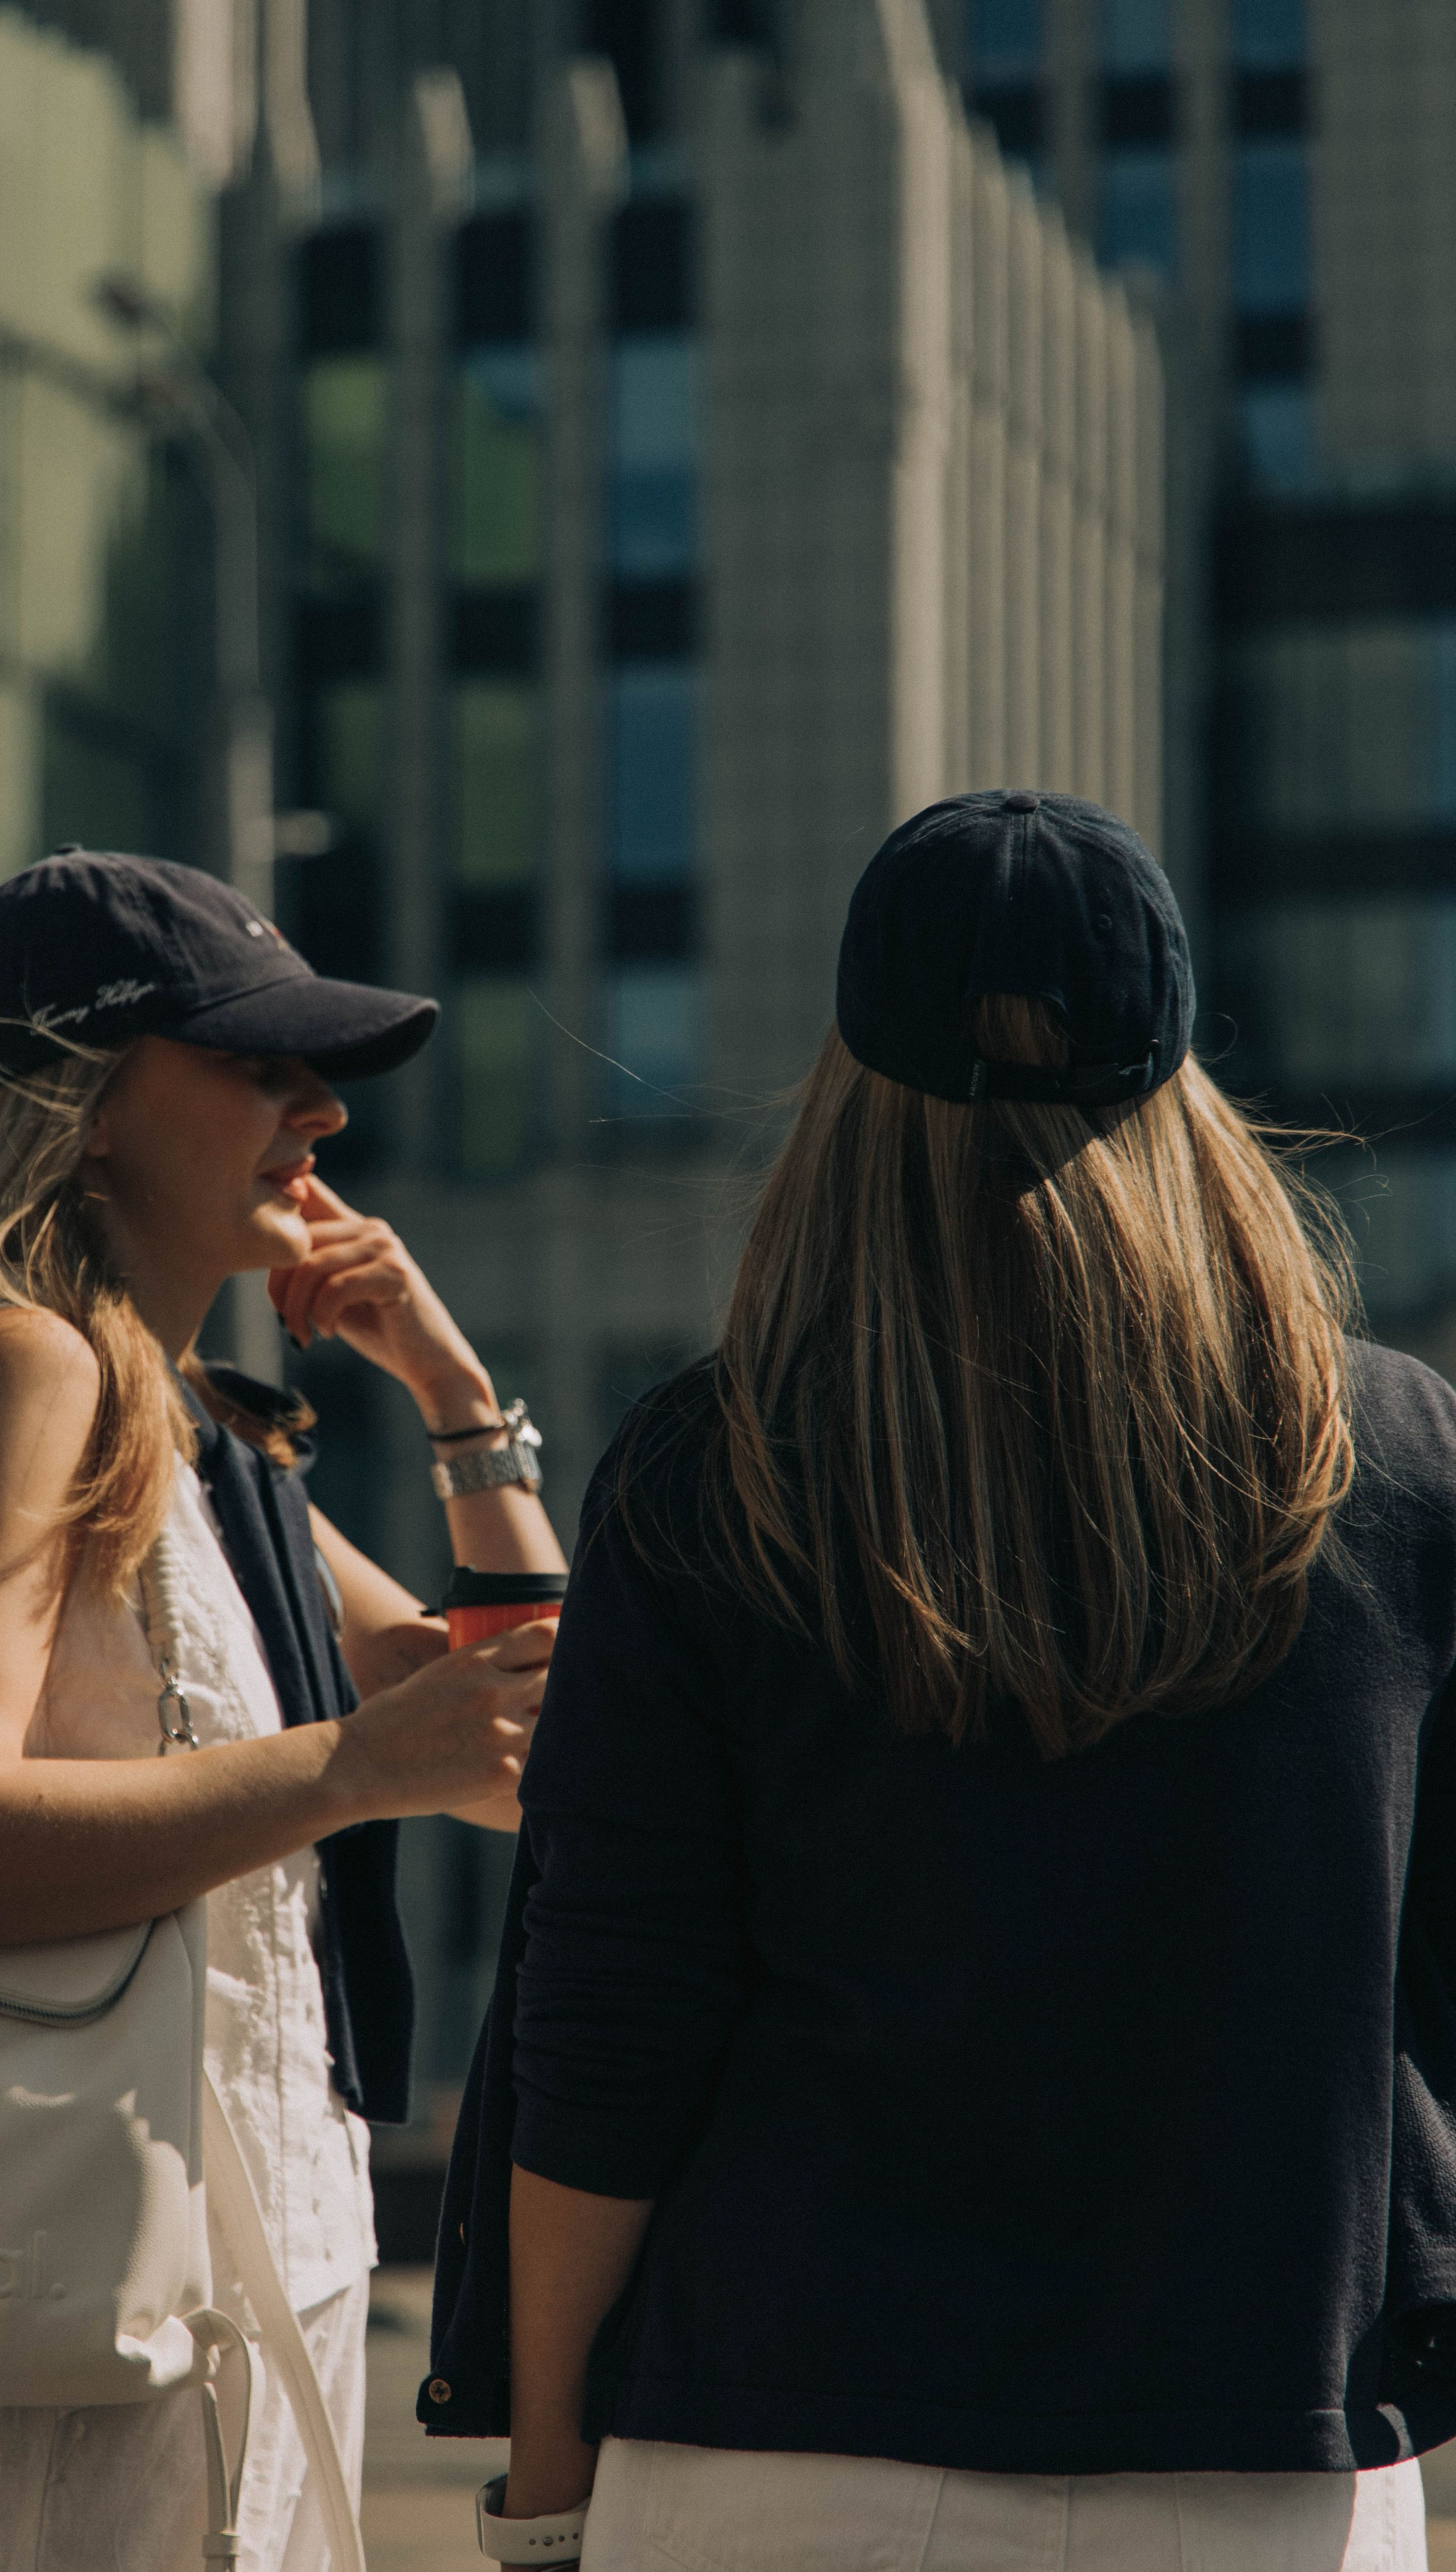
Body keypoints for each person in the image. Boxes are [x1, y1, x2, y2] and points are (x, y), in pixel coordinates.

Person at [425, 790, 1456, 2572]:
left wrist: (544, 2484)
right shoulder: (1400, 1462)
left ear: (849, 1072)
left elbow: (611, 2021)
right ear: (1182, 1069)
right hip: (1263, 2464)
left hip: (773, 2447)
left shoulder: (711, 1474)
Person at [0, 847, 566, 2572]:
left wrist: (458, 1396)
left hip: (244, 2273)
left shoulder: (204, 1426)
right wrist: (355, 1764)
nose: (320, 1114)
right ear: (89, 1102)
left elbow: (525, 1738)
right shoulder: (21, 1364)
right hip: (86, 2306)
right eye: (258, 1066)